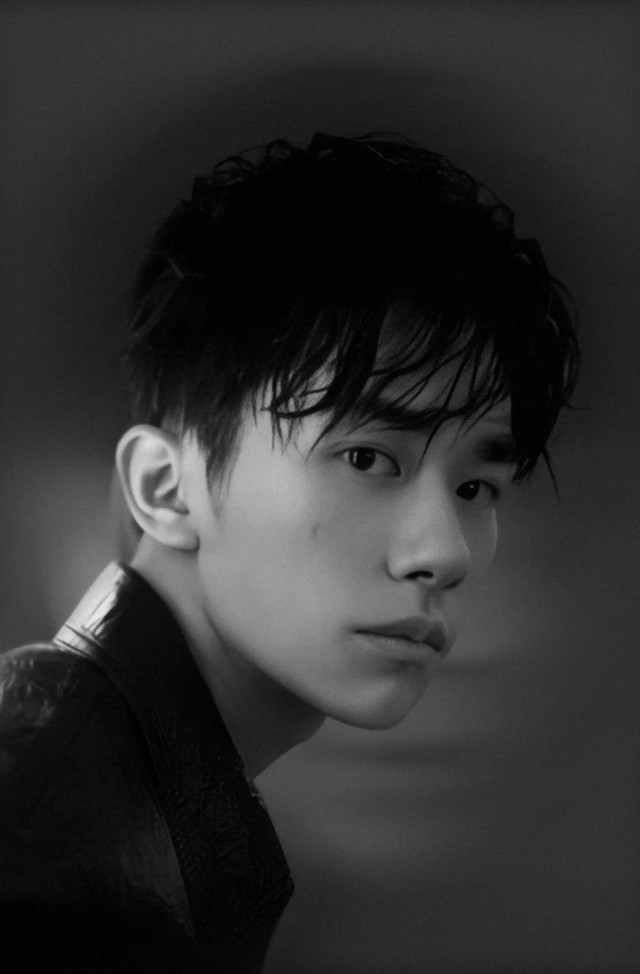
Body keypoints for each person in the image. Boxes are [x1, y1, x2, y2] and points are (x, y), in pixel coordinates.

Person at [0, 132, 578, 973]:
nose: (444, 552)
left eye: (475, 487)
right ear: (165, 488)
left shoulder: (130, 801)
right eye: (367, 458)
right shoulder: (43, 834)